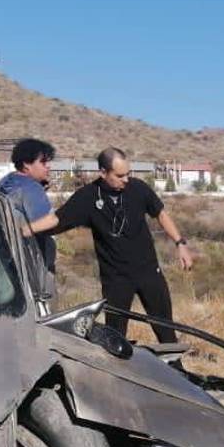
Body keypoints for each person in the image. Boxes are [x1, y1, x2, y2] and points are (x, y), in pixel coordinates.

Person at [55, 147, 193, 343]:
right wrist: (26, 230)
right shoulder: (88, 197)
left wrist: (180, 243)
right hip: (116, 279)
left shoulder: (138, 188)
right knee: (116, 336)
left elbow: (161, 214)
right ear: (103, 173)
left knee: (165, 329)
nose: (126, 179)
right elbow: (57, 221)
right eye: (120, 175)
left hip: (148, 271)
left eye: (128, 174)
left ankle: (176, 369)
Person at [0, 138, 60, 295]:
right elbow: (49, 225)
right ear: (26, 165)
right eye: (43, 162)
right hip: (32, 270)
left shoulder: (5, 183)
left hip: (6, 266)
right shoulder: (31, 188)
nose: (48, 166)